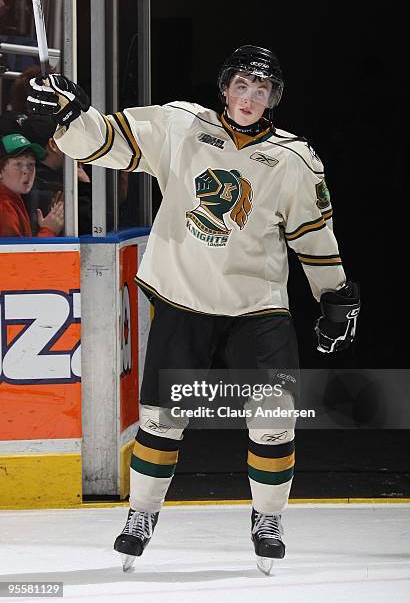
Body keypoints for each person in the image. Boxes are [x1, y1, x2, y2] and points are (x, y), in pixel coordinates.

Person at [27, 45, 360, 574]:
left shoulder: (295, 160)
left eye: (261, 90)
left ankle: (268, 519)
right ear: (225, 88)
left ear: (273, 98)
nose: (249, 98)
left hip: (258, 309)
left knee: (273, 423)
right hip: (183, 301)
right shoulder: (179, 125)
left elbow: (313, 236)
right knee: (161, 420)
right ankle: (141, 516)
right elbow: (108, 143)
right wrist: (70, 118)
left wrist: (334, 295)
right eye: (241, 86)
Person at [0, 133, 63, 237]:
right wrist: (48, 230)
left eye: (31, 164)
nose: (26, 171)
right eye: (18, 164)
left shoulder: (12, 201)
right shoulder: (4, 209)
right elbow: (16, 253)